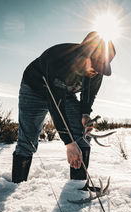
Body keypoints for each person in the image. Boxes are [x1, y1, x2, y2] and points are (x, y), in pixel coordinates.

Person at [11, 31, 116, 187]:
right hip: (34, 90)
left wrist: (85, 114)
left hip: (66, 93)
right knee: (28, 140)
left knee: (81, 134)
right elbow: (56, 105)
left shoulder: (97, 73)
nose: (97, 71)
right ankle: (16, 186)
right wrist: (69, 143)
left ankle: (77, 186)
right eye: (95, 64)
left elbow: (88, 96)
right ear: (83, 54)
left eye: (101, 67)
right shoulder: (59, 58)